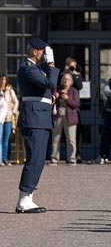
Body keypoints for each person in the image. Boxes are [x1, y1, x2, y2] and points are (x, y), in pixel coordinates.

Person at [15, 37, 59, 213]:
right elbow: (51, 83)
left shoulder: (36, 69)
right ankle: (23, 200)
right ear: (34, 51)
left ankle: (28, 197)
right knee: (34, 160)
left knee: (38, 160)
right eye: (42, 51)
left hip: (40, 118)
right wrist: (52, 63)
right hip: (34, 119)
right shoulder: (27, 69)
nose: (44, 54)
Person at [50, 73, 80, 166]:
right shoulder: (57, 90)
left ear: (71, 82)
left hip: (70, 116)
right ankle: (54, 158)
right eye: (64, 79)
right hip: (58, 115)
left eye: (68, 79)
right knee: (55, 138)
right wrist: (57, 96)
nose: (66, 81)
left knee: (71, 139)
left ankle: (71, 158)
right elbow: (52, 101)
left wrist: (67, 98)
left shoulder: (74, 91)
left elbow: (75, 104)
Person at [0, 74, 19, 166]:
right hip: (0, 118)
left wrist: (14, 110)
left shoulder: (10, 90)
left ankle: (5, 157)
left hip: (8, 117)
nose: (3, 81)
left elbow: (16, 101)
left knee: (6, 138)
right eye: (1, 79)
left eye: (4, 79)